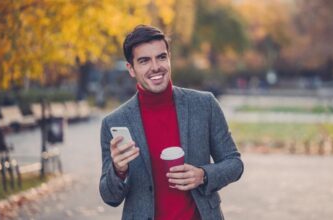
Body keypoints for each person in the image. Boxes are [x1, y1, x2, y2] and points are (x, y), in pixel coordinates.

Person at [99, 24, 243, 220]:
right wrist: (118, 170)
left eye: (161, 57)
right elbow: (110, 197)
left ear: (169, 58)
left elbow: (234, 163)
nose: (155, 67)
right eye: (144, 61)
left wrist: (203, 174)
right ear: (131, 69)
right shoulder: (115, 122)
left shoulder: (204, 105)